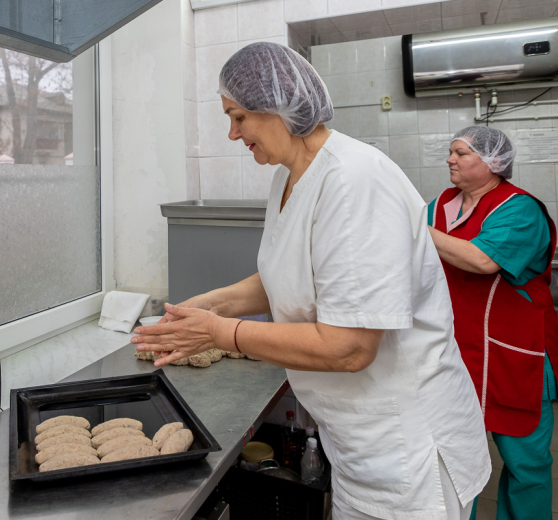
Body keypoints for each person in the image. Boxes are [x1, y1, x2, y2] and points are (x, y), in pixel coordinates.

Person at [131, 42, 490, 520]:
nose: (232, 133)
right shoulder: (288, 177)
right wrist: (210, 305)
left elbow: (350, 347)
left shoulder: (354, 180)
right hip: (358, 443)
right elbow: (291, 273)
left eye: (238, 117)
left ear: (277, 106)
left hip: (408, 445)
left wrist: (220, 332)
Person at [427, 126, 558, 520]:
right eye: (451, 152)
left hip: (515, 355)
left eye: (461, 153)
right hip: (456, 352)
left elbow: (483, 260)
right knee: (454, 461)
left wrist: (415, 230)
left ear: (492, 162)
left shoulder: (519, 209)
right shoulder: (439, 206)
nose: (450, 159)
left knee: (525, 463)